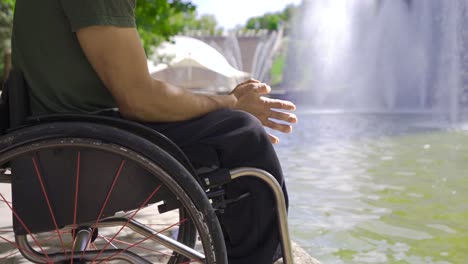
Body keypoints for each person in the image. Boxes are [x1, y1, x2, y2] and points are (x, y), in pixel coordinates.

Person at [11, 0, 298, 263]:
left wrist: (225, 104)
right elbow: (140, 101)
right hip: (81, 151)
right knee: (242, 134)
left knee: (227, 125)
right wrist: (233, 104)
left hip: (62, 140)